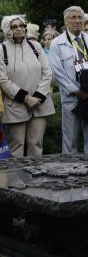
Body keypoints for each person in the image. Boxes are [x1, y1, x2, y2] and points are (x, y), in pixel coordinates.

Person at [49, 6, 88, 155]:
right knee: (70, 141)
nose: (77, 21)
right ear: (66, 21)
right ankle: (70, 173)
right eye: (73, 18)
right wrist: (77, 91)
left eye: (80, 18)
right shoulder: (57, 43)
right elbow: (58, 72)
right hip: (73, 98)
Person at [0, 15, 54, 157]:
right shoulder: (2, 50)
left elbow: (47, 72)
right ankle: (15, 179)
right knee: (16, 147)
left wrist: (37, 97)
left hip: (39, 104)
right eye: (14, 26)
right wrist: (26, 98)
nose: (19, 29)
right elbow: (3, 80)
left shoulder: (35, 46)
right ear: (7, 29)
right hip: (16, 106)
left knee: (36, 145)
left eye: (22, 25)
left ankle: (36, 179)